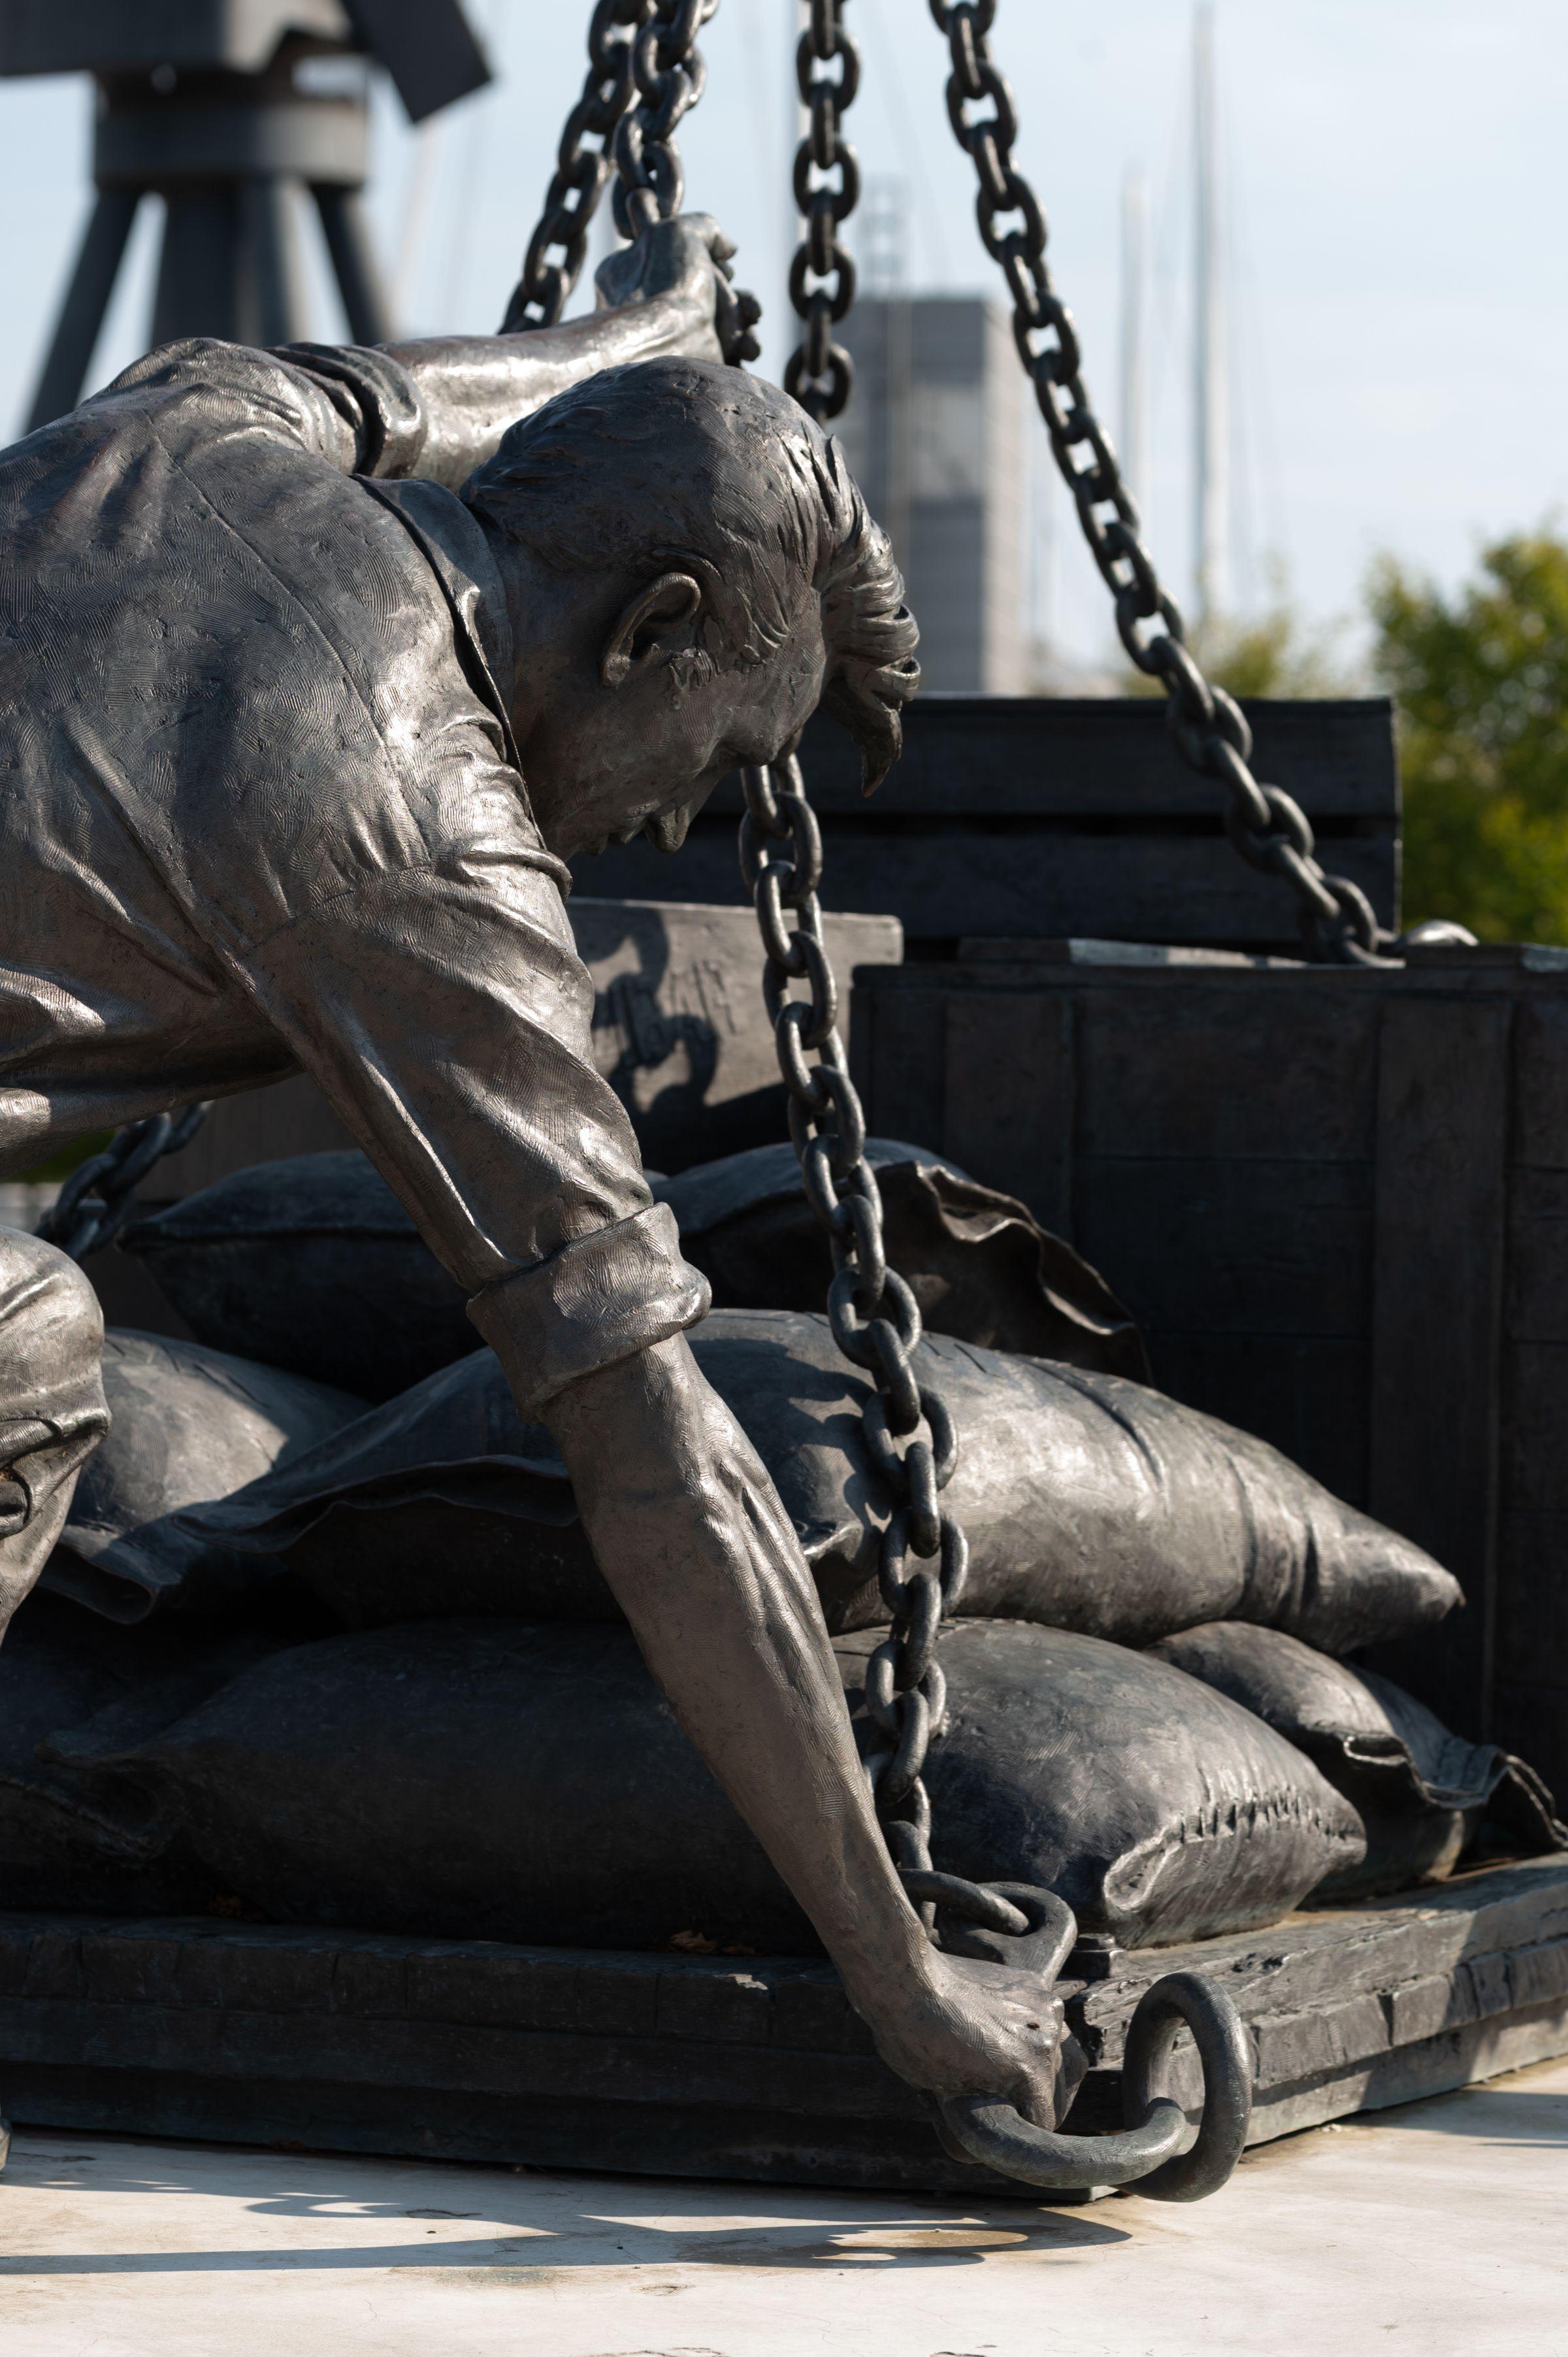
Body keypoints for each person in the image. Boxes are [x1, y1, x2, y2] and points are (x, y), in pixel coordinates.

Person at [0, 216, 1072, 2130]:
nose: (677, 817)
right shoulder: (414, 822)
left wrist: (642, 328)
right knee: (19, 1349)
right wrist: (902, 1981)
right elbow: (652, 1450)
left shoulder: (195, 431)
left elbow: (414, 399)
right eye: (717, 752)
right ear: (654, 629)